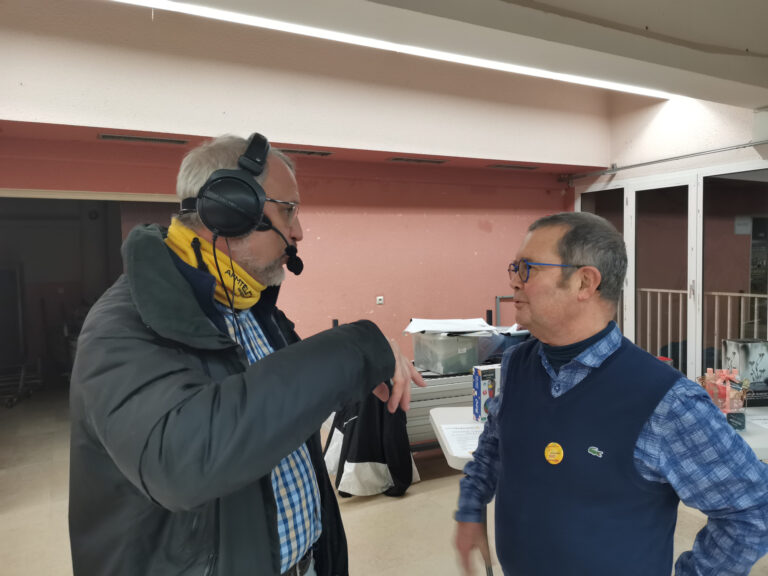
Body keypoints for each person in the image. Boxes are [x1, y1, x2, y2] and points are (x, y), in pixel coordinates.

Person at [68, 132, 425, 576]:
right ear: (230, 208)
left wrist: (356, 373)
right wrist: (357, 348)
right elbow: (183, 462)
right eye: (288, 210)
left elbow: (271, 414)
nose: (298, 231)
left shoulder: (251, 308)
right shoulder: (119, 327)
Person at [454, 211, 768, 575]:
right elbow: (495, 443)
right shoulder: (517, 364)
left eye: (528, 269)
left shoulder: (666, 401)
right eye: (514, 268)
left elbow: (751, 509)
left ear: (585, 282)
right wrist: (471, 506)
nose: (514, 282)